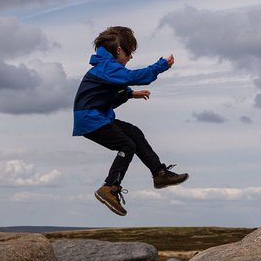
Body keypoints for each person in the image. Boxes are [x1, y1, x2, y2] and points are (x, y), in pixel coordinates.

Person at [72, 26, 188, 215]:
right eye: (129, 52)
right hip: (90, 119)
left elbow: (111, 88)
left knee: (134, 133)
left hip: (96, 117)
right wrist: (160, 66)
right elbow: (132, 76)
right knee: (127, 145)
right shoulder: (107, 66)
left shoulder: (106, 67)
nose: (131, 57)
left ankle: (159, 174)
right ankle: (109, 188)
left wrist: (130, 94)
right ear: (119, 50)